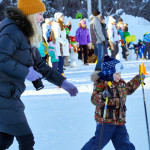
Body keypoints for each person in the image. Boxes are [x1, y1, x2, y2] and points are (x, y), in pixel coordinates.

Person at [0, 0, 78, 149]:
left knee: (4, 139)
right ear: (29, 13)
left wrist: (63, 83)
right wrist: (25, 72)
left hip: (9, 93)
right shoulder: (13, 30)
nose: (42, 18)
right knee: (26, 140)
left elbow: (40, 65)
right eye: (40, 14)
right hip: (4, 96)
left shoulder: (26, 33)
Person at [81, 55, 145, 150]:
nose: (120, 76)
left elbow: (128, 89)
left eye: (120, 73)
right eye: (117, 74)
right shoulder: (101, 83)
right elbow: (94, 99)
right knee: (98, 143)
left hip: (119, 120)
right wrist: (103, 95)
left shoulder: (121, 83)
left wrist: (138, 79)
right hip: (106, 121)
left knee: (124, 143)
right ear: (110, 73)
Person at [52, 12, 70, 76]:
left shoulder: (61, 24)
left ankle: (61, 77)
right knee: (60, 63)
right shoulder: (57, 25)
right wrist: (64, 42)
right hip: (60, 47)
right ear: (58, 18)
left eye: (63, 16)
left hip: (62, 46)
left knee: (61, 63)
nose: (63, 18)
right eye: (62, 16)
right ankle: (60, 77)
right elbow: (57, 37)